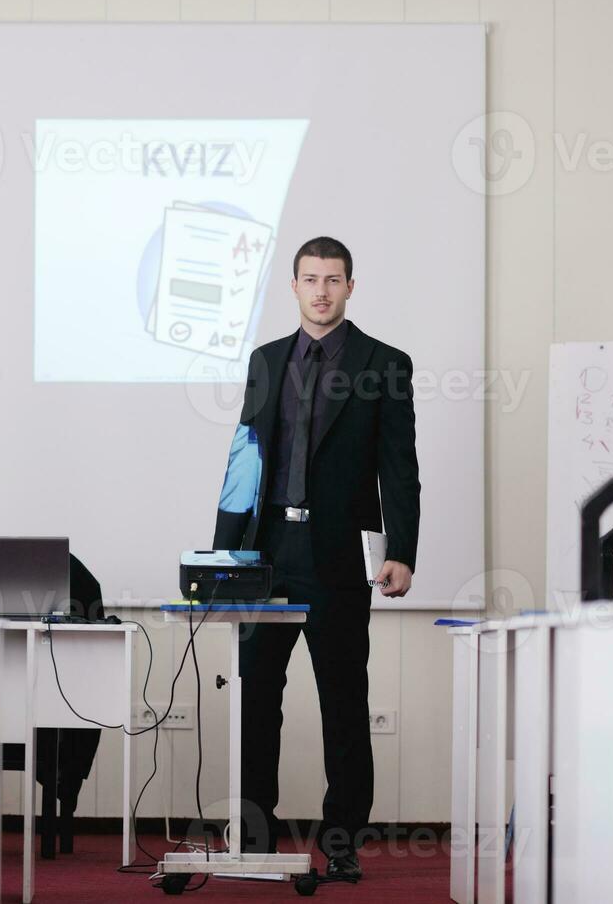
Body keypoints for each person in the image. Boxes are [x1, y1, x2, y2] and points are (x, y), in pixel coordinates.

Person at [212, 237, 420, 880]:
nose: (322, 290)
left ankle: (339, 842)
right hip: (268, 553)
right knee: (255, 698)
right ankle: (254, 833)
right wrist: (223, 554)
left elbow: (399, 469)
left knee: (343, 701)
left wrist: (402, 552)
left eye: (334, 279)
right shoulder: (267, 360)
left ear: (350, 286)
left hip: (338, 557)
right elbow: (245, 459)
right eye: (310, 279)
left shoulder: (385, 362)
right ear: (294, 286)